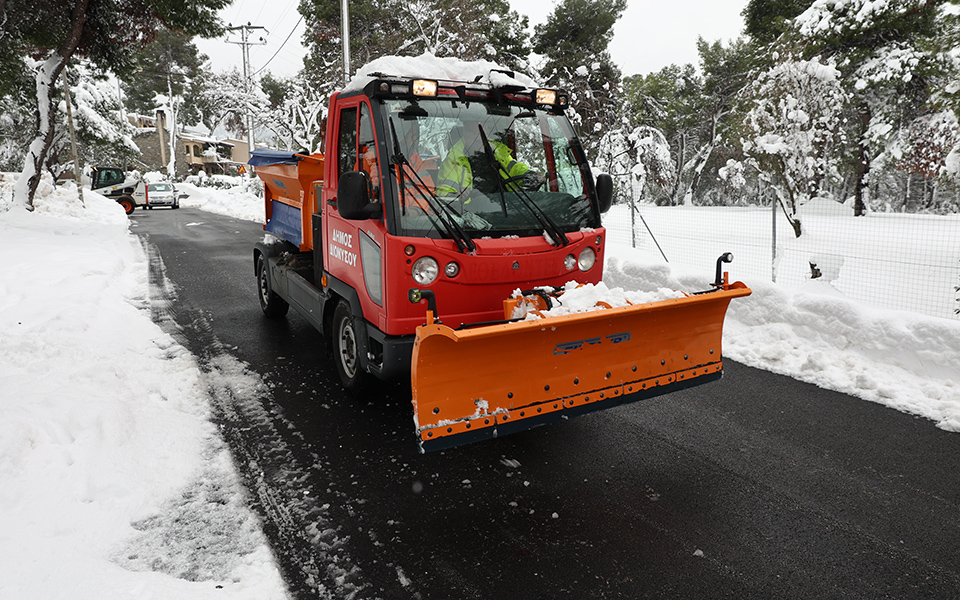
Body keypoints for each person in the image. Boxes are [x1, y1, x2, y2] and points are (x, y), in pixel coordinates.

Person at [435, 122, 543, 200]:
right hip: (472, 213)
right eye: (472, 133)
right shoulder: (453, 161)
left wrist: (530, 175)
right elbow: (443, 190)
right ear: (464, 134)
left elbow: (515, 168)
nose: (477, 138)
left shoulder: (499, 153)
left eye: (480, 132)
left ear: (486, 132)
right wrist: (456, 195)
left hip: (506, 208)